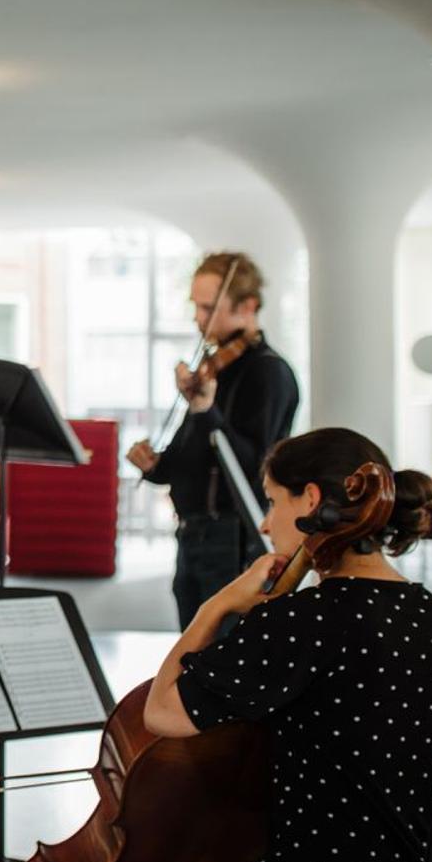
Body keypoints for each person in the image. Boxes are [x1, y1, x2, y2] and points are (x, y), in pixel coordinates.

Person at [66, 428, 432, 862]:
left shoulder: (307, 619)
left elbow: (164, 712)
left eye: (272, 501)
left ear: (310, 501)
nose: (265, 521)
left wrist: (216, 606)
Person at [126, 251, 300, 629]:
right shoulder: (215, 368)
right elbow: (194, 455)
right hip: (194, 533)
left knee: (217, 655)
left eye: (207, 308)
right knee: (192, 649)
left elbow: (253, 465)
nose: (197, 319)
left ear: (247, 306)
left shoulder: (267, 372)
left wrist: (207, 411)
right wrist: (157, 466)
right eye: (196, 307)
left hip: (230, 536)